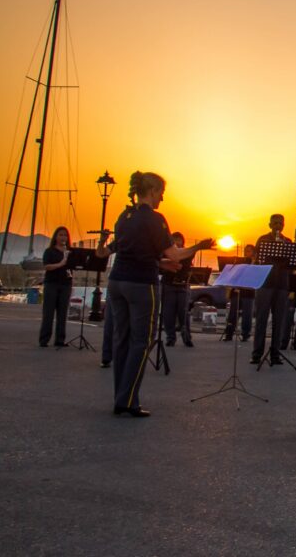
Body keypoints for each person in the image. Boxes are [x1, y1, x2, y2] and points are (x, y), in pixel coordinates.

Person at [96, 172, 211, 418]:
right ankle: (128, 401)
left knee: (122, 339)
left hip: (117, 281)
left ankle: (120, 396)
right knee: (142, 341)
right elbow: (175, 255)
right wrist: (198, 247)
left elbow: (133, 250)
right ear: (152, 191)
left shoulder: (124, 217)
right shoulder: (155, 219)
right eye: (161, 193)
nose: (162, 198)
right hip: (141, 285)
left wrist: (160, 264)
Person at [252, 215, 295, 365]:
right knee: (261, 320)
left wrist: (283, 247)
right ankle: (257, 354)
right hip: (265, 284)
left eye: (281, 223)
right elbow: (257, 260)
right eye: (275, 223)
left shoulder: (288, 242)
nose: (278, 225)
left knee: (279, 321)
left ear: (284, 225)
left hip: (282, 285)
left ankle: (275, 354)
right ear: (270, 224)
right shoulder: (262, 240)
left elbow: (291, 266)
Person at [39, 226, 73, 348]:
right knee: (48, 313)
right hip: (51, 284)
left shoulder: (69, 252)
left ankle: (60, 339)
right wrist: (60, 264)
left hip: (66, 284)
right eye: (61, 235)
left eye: (65, 235)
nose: (63, 237)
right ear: (56, 237)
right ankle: (44, 339)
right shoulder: (49, 251)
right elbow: (47, 266)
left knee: (62, 313)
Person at [159, 232, 194, 348]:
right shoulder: (165, 253)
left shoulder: (186, 253)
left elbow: (188, 258)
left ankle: (186, 337)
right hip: (168, 285)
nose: (177, 243)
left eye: (179, 240)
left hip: (183, 286)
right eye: (174, 240)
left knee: (183, 312)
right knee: (168, 313)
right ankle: (170, 337)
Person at [222, 244, 255, 342]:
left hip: (248, 292)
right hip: (237, 291)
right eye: (245, 251)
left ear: (253, 252)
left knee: (247, 315)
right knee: (233, 313)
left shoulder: (255, 263)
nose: (246, 253)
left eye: (249, 251)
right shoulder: (239, 262)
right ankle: (229, 333)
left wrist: (253, 263)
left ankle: (245, 334)